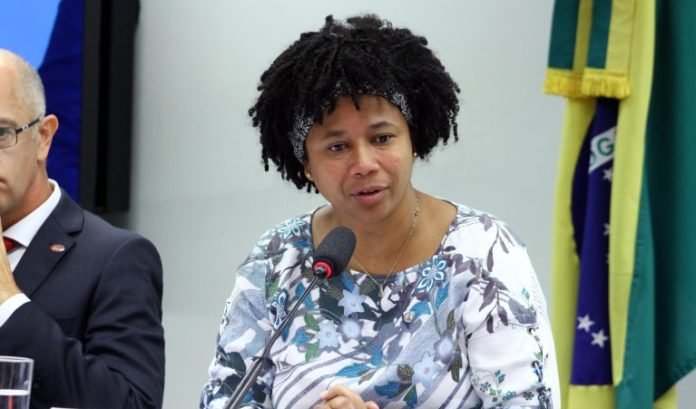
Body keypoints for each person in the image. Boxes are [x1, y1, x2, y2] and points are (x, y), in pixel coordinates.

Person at [200, 15, 559, 409]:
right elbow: (224, 399)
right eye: (337, 147)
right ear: (306, 164)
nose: (364, 163)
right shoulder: (276, 261)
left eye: (382, 138)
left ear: (413, 140)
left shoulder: (483, 253)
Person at [0, 49, 165, 409]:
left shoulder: (115, 257)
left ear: (44, 137)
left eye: (1, 133)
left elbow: (132, 403)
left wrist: (9, 303)